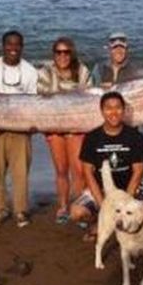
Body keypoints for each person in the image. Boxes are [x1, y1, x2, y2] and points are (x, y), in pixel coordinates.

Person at [70, 91, 143, 239]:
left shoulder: (136, 136)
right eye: (108, 108)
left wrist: (125, 203)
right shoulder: (92, 137)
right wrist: (103, 206)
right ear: (102, 111)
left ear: (124, 110)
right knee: (77, 212)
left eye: (118, 107)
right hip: (101, 191)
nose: (113, 112)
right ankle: (98, 222)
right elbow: (88, 172)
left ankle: (122, 224)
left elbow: (138, 172)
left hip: (128, 190)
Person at [0, 30, 38, 228]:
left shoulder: (30, 71)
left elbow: (33, 102)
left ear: (22, 47)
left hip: (21, 130)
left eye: (17, 44)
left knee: (20, 174)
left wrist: (32, 124)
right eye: (9, 44)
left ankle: (20, 210)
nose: (13, 48)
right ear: (3, 46)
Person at [37, 37, 92, 224]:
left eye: (66, 52)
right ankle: (62, 206)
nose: (63, 56)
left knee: (79, 170)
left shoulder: (82, 71)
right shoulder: (45, 72)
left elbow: (89, 97)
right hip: (54, 126)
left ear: (72, 53)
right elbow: (41, 99)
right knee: (61, 169)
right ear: (54, 54)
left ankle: (79, 207)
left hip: (76, 126)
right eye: (58, 52)